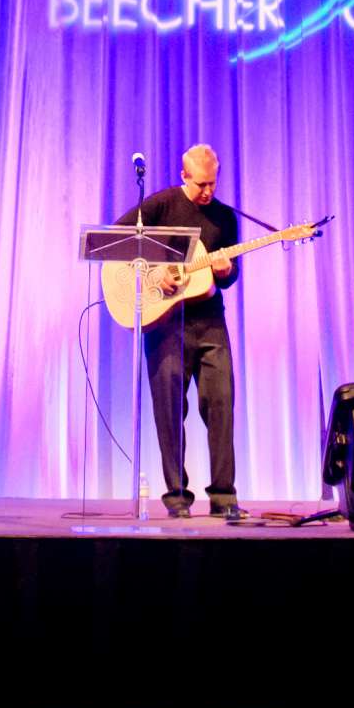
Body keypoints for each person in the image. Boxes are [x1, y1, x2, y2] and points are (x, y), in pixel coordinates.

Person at [117, 144, 242, 516]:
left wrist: (226, 271)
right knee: (170, 411)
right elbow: (118, 240)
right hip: (166, 324)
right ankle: (176, 497)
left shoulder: (223, 218)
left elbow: (232, 278)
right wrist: (153, 273)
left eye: (213, 184)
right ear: (184, 176)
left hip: (210, 322)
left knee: (221, 405)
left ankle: (224, 498)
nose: (208, 192)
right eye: (201, 184)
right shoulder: (160, 206)